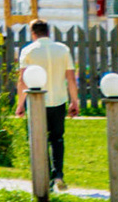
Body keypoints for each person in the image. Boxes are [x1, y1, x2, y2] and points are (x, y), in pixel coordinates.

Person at [22, 17, 79, 187]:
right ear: (48, 32)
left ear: (33, 33)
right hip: (59, 100)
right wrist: (74, 101)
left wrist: (20, 105)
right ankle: (58, 174)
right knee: (57, 138)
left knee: (38, 139)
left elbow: (22, 81)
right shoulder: (63, 50)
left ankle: (45, 178)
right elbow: (71, 78)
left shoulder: (28, 51)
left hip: (37, 103)